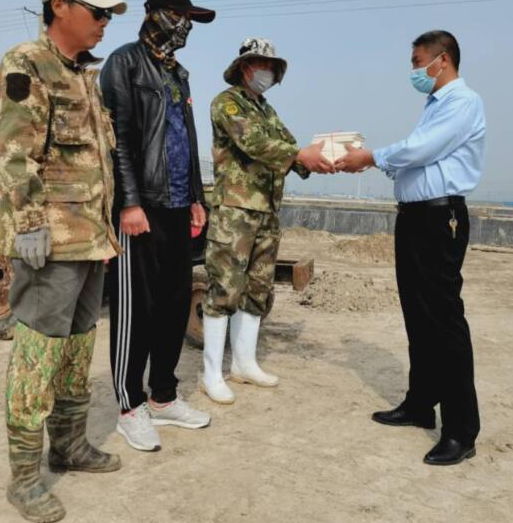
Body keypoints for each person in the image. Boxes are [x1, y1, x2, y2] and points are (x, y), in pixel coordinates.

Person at [0, 0, 126, 522]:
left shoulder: (85, 75)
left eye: (108, 15)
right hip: (50, 240)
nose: (104, 22)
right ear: (61, 6)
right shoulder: (27, 63)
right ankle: (24, 479)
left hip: (90, 239)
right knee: (38, 356)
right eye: (97, 12)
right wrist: (29, 225)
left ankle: (68, 446)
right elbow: (15, 152)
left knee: (75, 351)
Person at [335, 30, 486, 466]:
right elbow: (418, 161)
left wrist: (371, 157)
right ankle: (421, 403)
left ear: (443, 59)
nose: (415, 70)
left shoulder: (463, 102)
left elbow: (421, 150)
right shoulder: (434, 105)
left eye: (418, 61)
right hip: (416, 218)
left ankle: (461, 429)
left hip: (441, 220)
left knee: (444, 319)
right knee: (418, 315)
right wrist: (374, 162)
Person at [100, 0, 214, 452]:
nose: (183, 25)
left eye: (189, 19)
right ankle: (130, 407)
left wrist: (196, 197)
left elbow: (186, 140)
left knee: (172, 305)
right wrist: (129, 202)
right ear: (151, 14)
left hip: (177, 207)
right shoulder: (124, 63)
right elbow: (119, 139)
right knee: (136, 310)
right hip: (141, 208)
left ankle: (163, 396)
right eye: (176, 14)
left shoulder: (178, 75)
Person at [201, 37, 335, 404]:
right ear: (246, 67)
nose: (269, 73)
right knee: (225, 288)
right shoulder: (227, 102)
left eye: (273, 68)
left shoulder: (267, 109)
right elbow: (255, 143)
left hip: (266, 210)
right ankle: (212, 374)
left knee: (258, 287)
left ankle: (244, 363)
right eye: (264, 65)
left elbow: (290, 147)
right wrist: (301, 155)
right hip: (235, 209)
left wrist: (322, 159)